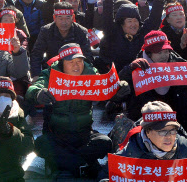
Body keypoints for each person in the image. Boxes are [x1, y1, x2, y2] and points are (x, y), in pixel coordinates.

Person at [27, 43, 127, 178]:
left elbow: (108, 87)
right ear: (62, 63)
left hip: (84, 135)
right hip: (58, 136)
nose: (76, 65)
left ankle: (68, 164)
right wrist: (38, 93)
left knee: (105, 143)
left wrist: (118, 90)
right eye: (71, 62)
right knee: (40, 144)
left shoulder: (91, 74)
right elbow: (33, 88)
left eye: (79, 61)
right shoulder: (50, 75)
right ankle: (83, 165)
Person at [114, 101, 187, 161]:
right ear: (147, 132)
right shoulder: (131, 151)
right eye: (162, 131)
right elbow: (106, 175)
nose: (169, 136)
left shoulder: (184, 150)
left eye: (172, 130)